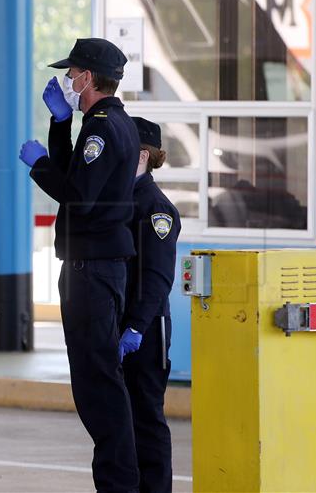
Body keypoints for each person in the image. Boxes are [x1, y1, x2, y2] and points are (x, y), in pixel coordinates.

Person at [19, 38, 141, 492]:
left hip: (92, 269)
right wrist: (59, 123)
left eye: (72, 75)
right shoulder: (109, 123)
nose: (67, 81)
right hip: (96, 267)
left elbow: (78, 195)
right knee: (97, 384)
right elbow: (78, 175)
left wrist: (39, 165)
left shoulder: (102, 128)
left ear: (88, 78)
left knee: (98, 387)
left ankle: (119, 485)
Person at [121, 117, 181, 493]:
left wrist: (136, 327)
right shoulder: (123, 199)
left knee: (146, 418)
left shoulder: (155, 208)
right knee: (124, 420)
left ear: (142, 155)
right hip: (123, 324)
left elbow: (158, 278)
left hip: (145, 332)